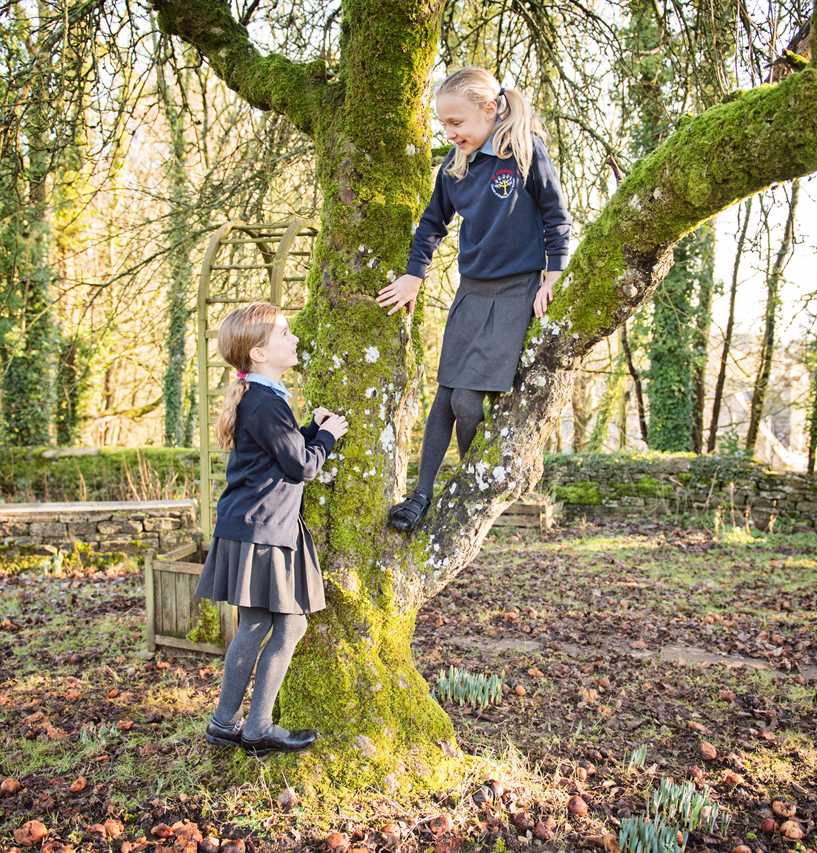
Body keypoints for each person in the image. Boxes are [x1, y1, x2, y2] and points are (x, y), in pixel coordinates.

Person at [377, 66, 571, 531]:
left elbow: (555, 216)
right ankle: (421, 495)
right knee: (445, 393)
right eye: (444, 124)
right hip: (472, 290)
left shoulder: (523, 153)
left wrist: (554, 276)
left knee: (468, 402)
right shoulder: (454, 166)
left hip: (516, 291)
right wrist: (413, 276)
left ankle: (470, 486)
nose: (450, 132)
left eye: (457, 123)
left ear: (489, 110)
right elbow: (431, 223)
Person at [197, 302, 349, 757]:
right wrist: (326, 437)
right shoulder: (265, 402)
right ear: (259, 353)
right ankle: (255, 726)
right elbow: (299, 465)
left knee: (259, 623)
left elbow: (275, 450)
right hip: (263, 530)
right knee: (289, 624)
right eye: (284, 332)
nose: (294, 338)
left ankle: (226, 723)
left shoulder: (264, 399)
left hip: (252, 526)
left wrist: (307, 427)